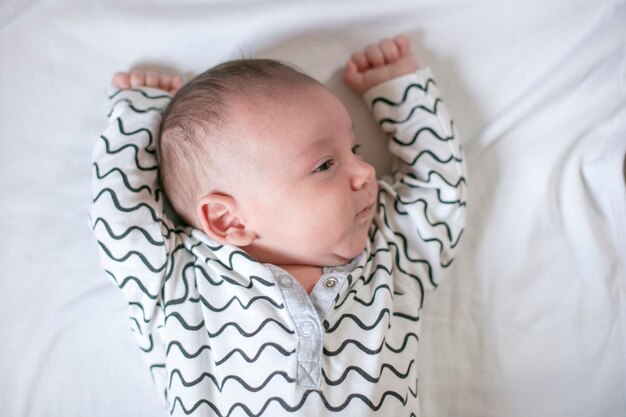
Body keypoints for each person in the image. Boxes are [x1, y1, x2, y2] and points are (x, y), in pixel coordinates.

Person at [91, 35, 466, 416]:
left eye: (355, 150)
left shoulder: (388, 258)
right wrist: (137, 120)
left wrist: (402, 94)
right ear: (227, 219)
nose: (366, 171)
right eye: (324, 165)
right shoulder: (179, 280)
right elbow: (122, 222)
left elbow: (440, 192)